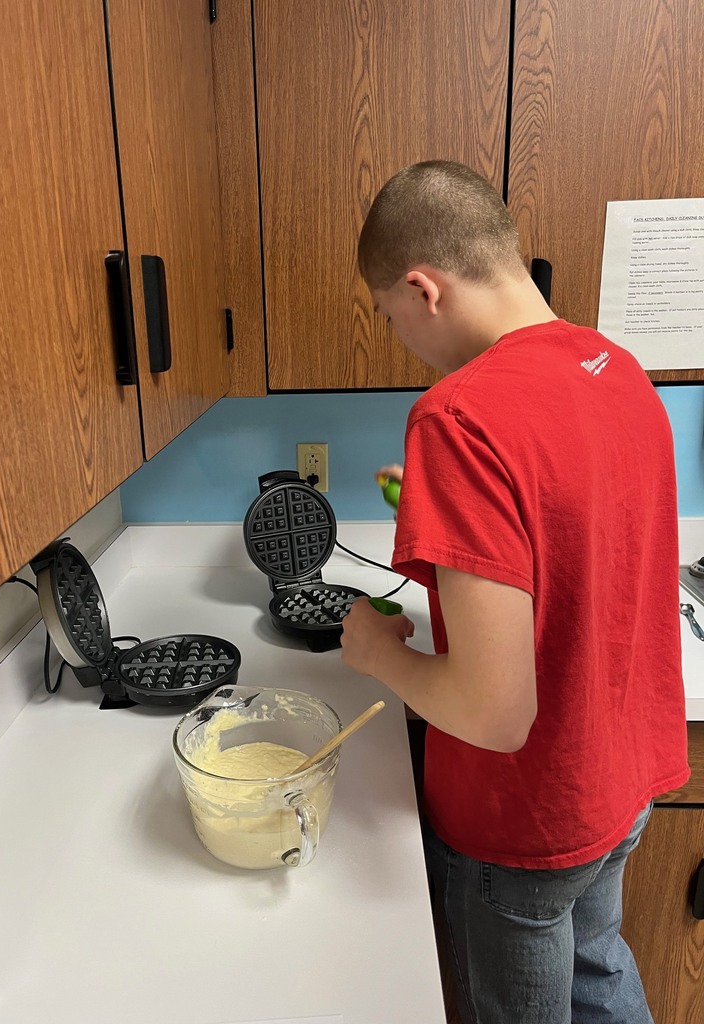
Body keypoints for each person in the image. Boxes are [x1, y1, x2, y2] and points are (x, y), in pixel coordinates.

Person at [339, 160, 689, 1023]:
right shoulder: (617, 366)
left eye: (391, 316)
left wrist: (380, 655)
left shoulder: (457, 416)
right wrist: (425, 502)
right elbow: (571, 535)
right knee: (602, 971)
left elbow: (494, 713)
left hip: (524, 819)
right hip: (621, 784)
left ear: (424, 288)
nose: (403, 341)